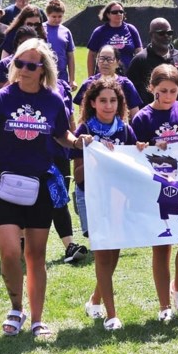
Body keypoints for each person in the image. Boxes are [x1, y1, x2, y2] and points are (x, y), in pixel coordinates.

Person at [0, 38, 91, 338]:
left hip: (40, 186)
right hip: (2, 185)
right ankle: (16, 308)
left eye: (31, 65)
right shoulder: (2, 98)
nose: (24, 69)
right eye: (19, 63)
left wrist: (80, 142)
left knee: (36, 255)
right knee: (8, 252)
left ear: (43, 69)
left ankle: (38, 319)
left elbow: (62, 135)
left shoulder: (53, 100)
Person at [131, 64, 178, 323]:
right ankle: (164, 305)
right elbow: (133, 156)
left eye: (174, 90)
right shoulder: (142, 118)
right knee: (162, 246)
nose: (169, 96)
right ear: (152, 88)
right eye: (163, 91)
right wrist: (148, 147)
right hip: (157, 189)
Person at [72, 77, 143, 330]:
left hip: (119, 199)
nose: (108, 105)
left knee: (114, 253)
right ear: (92, 102)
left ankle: (94, 300)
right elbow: (78, 176)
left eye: (113, 100)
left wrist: (140, 150)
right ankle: (111, 314)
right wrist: (94, 154)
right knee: (103, 251)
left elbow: (136, 162)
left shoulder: (125, 130)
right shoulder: (83, 132)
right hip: (92, 198)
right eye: (102, 100)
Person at [128, 17, 178, 127]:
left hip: (174, 116)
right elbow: (129, 92)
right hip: (149, 119)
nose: (166, 36)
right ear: (151, 35)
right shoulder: (140, 60)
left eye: (169, 33)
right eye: (161, 33)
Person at [73, 45, 142, 121]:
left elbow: (135, 115)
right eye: (102, 58)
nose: (105, 62)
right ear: (97, 61)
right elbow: (82, 116)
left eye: (109, 59)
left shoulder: (126, 84)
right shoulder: (88, 84)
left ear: (117, 63)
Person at [86, 1, 142, 77]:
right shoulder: (99, 31)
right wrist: (91, 77)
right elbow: (92, 55)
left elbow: (139, 53)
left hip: (128, 75)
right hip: (105, 76)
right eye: (115, 12)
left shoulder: (131, 29)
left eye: (121, 12)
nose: (119, 14)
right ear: (108, 15)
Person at [44, 0, 75, 86]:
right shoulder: (41, 29)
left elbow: (70, 57)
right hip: (44, 75)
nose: (57, 19)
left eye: (60, 16)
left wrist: (72, 79)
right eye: (54, 16)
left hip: (62, 76)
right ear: (48, 15)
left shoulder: (66, 31)